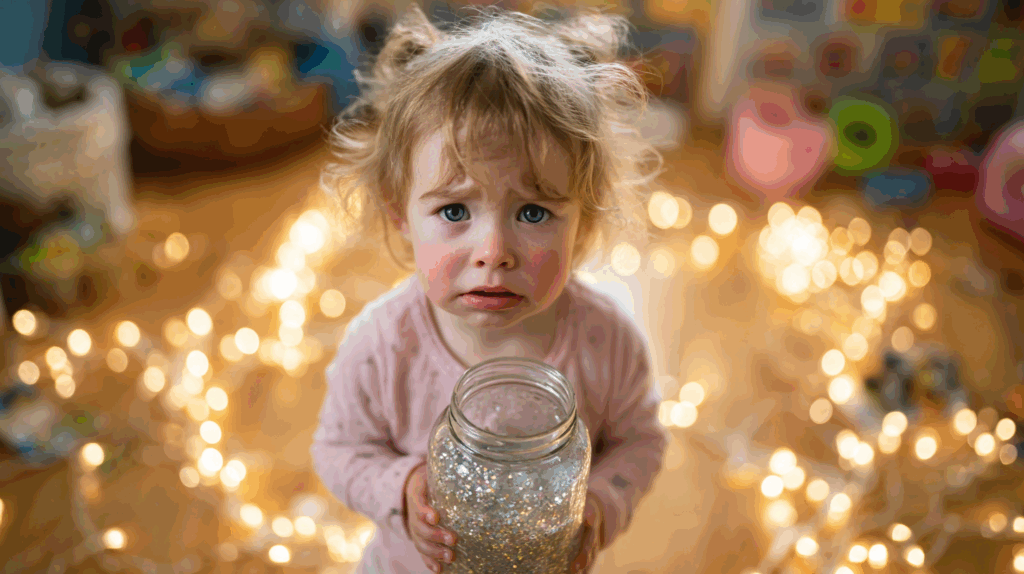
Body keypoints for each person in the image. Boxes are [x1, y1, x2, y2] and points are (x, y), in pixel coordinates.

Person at [310, 3, 669, 573]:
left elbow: (641, 443)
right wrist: (399, 486)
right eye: (454, 208)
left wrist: (601, 501)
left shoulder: (606, 340)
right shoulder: (382, 344)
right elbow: (337, 451)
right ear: (400, 214)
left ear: (585, 221)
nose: (494, 251)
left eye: (533, 213)